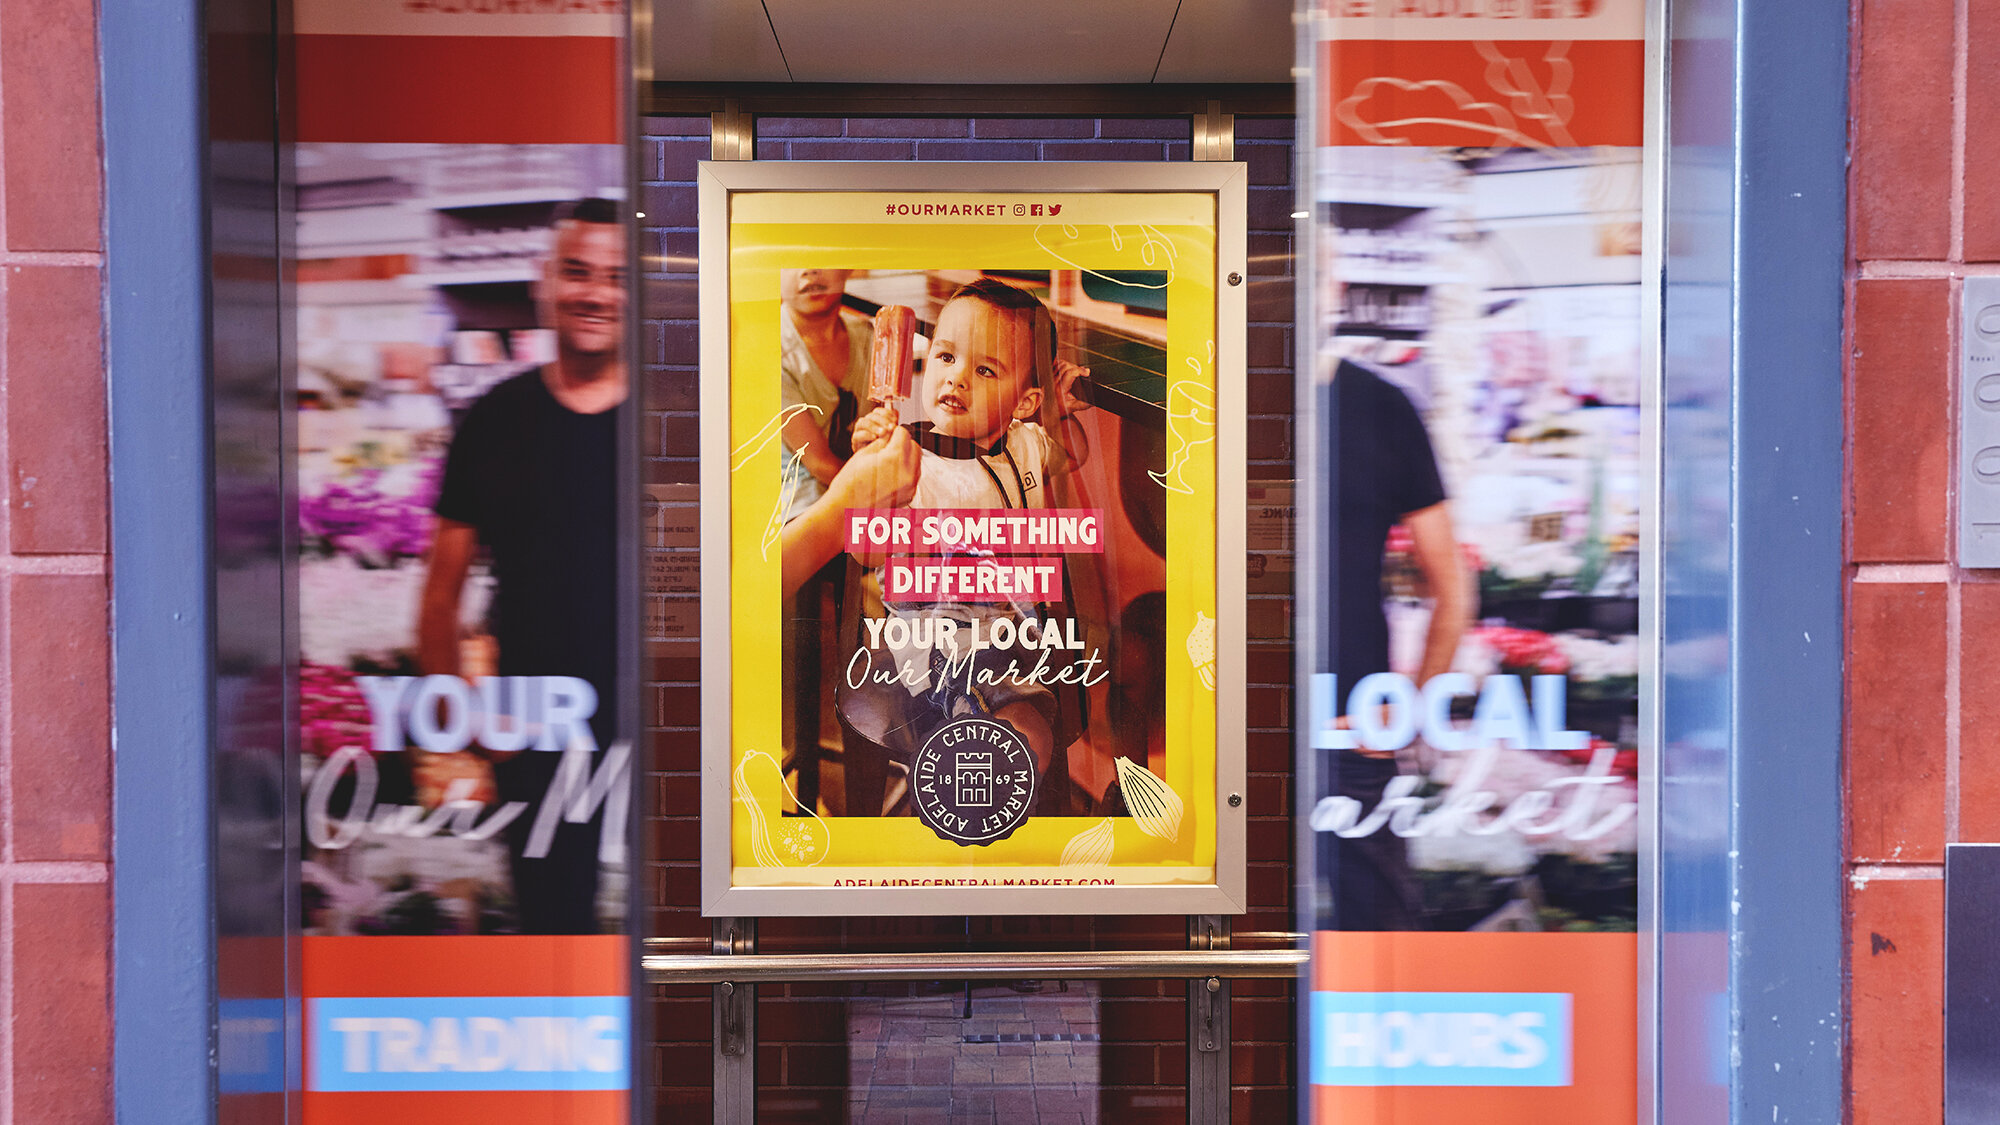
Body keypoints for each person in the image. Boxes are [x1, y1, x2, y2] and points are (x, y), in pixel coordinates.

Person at [417, 197, 626, 934]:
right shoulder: (494, 419)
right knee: (555, 923)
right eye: (577, 272)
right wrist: (463, 719)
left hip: (654, 727)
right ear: (545, 282)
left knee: (663, 933)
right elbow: (441, 592)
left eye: (616, 276)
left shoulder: (673, 417)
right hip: (535, 728)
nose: (596, 293)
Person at [836, 278, 1087, 817]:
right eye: (946, 355)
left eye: (985, 369)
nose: (955, 378)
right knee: (971, 721)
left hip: (1016, 644)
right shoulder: (907, 463)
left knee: (1031, 730)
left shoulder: (1027, 443)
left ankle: (997, 802)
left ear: (1024, 400)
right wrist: (866, 474)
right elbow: (865, 553)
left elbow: (1070, 459)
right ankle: (957, 797)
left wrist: (1058, 415)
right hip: (930, 650)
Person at [1322, 357, 1471, 931]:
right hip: (1223, 730)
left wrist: (1410, 707)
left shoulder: (1379, 404)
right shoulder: (1212, 385)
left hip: (1355, 725)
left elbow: (1452, 587)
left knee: (1379, 930)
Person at [778, 268, 875, 521]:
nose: (809, 269)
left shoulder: (867, 335)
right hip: (795, 508)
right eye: (791, 260)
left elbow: (871, 441)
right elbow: (819, 463)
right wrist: (880, 499)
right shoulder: (769, 348)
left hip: (854, 489)